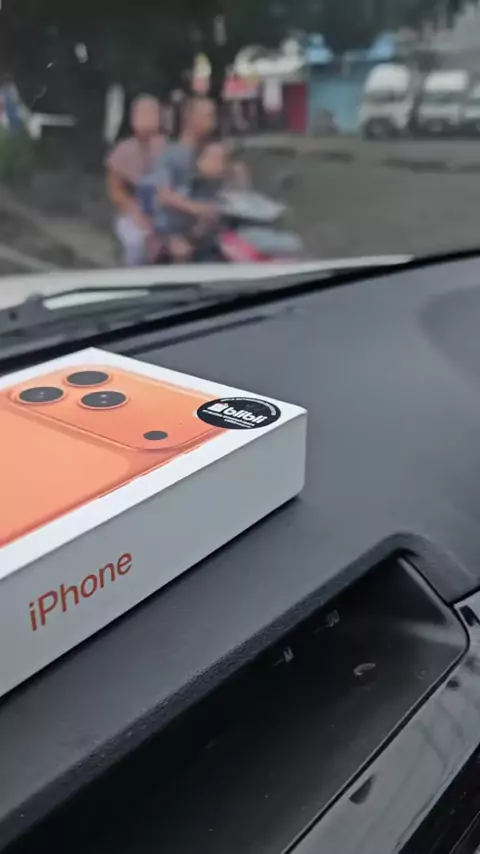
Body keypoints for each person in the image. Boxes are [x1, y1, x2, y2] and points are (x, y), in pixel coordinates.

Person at [147, 96, 219, 263]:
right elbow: (163, 194)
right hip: (175, 231)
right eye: (208, 115)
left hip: (208, 230)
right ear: (191, 118)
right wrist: (195, 208)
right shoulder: (170, 154)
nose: (213, 121)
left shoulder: (212, 153)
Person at [106, 95, 166, 266]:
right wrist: (134, 210)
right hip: (133, 213)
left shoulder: (170, 149)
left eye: (151, 113)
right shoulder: (123, 150)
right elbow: (115, 190)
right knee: (135, 243)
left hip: (167, 212)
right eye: (140, 114)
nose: (145, 118)